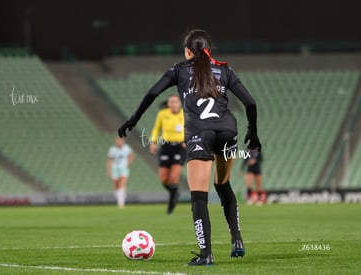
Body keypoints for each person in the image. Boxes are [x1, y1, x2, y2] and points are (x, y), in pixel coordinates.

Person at [118, 29, 261, 265]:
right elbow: (250, 102)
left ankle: (206, 254)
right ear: (209, 50)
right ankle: (237, 239)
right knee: (223, 184)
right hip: (227, 131)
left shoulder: (179, 69)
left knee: (199, 197)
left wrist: (132, 120)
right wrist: (252, 132)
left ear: (187, 51)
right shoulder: (225, 69)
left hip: (199, 135)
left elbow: (153, 92)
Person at [150, 94, 185, 215]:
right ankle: (175, 192)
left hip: (180, 147)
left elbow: (192, 127)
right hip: (166, 146)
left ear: (180, 103)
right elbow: (156, 128)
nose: (174, 104)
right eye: (172, 102)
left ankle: (171, 205)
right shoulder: (163, 114)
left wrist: (188, 140)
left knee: (174, 177)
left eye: (176, 102)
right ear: (169, 104)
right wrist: (153, 142)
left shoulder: (185, 114)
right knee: (164, 179)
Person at [107, 137, 134, 208]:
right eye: (117, 141)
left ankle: (121, 203)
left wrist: (128, 164)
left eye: (120, 141)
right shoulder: (112, 149)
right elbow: (110, 160)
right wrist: (109, 170)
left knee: (122, 184)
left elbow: (131, 156)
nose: (119, 142)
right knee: (116, 186)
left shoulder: (127, 148)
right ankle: (119, 199)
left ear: (123, 141)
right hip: (115, 168)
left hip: (123, 168)